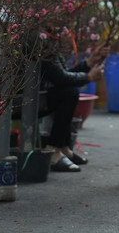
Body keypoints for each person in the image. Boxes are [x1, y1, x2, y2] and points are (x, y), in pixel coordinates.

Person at [39, 43, 107, 172]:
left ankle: (63, 147)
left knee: (68, 92)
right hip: (27, 97)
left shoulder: (49, 37)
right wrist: (88, 77)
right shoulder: (40, 39)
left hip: (42, 92)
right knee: (68, 94)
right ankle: (53, 149)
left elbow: (63, 75)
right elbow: (60, 78)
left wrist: (90, 62)